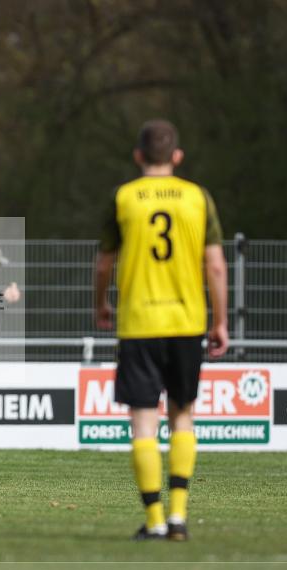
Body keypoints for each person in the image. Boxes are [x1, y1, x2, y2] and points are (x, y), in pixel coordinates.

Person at [93, 119, 229, 542]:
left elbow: (103, 263)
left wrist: (100, 303)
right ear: (176, 156)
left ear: (138, 156)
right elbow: (216, 265)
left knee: (143, 422)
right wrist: (220, 320)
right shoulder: (196, 197)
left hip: (138, 325)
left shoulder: (124, 197)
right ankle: (179, 518)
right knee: (184, 415)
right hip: (187, 323)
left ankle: (153, 519)